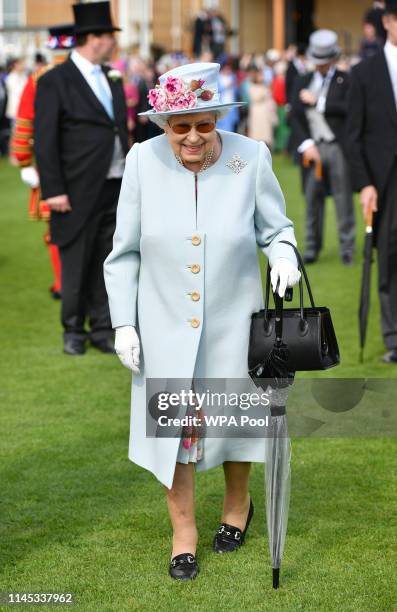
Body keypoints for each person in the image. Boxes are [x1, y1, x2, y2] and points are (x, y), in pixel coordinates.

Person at [103, 62, 300, 581]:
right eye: (179, 126)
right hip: (166, 325)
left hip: (235, 322)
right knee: (176, 432)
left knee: (234, 422)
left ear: (216, 118)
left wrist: (284, 256)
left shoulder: (250, 156)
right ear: (163, 124)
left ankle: (238, 504)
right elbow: (123, 253)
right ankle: (183, 533)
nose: (191, 137)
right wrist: (124, 322)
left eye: (203, 124)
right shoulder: (142, 161)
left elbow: (277, 228)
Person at [34, 1, 128, 355]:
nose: (112, 42)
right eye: (108, 35)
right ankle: (73, 330)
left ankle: (102, 328)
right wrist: (53, 189)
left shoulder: (112, 77)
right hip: (74, 188)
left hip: (114, 184)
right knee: (75, 263)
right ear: (92, 38)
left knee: (108, 261)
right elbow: (45, 139)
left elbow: (118, 127)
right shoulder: (55, 81)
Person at [347, 0, 397, 363]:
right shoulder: (364, 72)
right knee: (391, 256)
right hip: (385, 181)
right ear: (389, 21)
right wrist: (365, 183)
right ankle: (394, 337)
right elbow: (353, 136)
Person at [11, 24, 76, 300]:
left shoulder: (38, 77)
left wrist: (25, 161)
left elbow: (24, 122)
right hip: (89, 162)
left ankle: (63, 283)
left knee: (55, 227)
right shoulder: (92, 75)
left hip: (51, 163)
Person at [290, 29, 356, 265]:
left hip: (337, 147)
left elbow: (349, 109)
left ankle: (347, 248)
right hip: (312, 147)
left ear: (333, 59)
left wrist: (319, 101)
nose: (320, 66)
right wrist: (306, 144)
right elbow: (294, 118)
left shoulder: (346, 80)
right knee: (311, 199)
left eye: (324, 62)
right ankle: (311, 247)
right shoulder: (302, 81)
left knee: (343, 199)